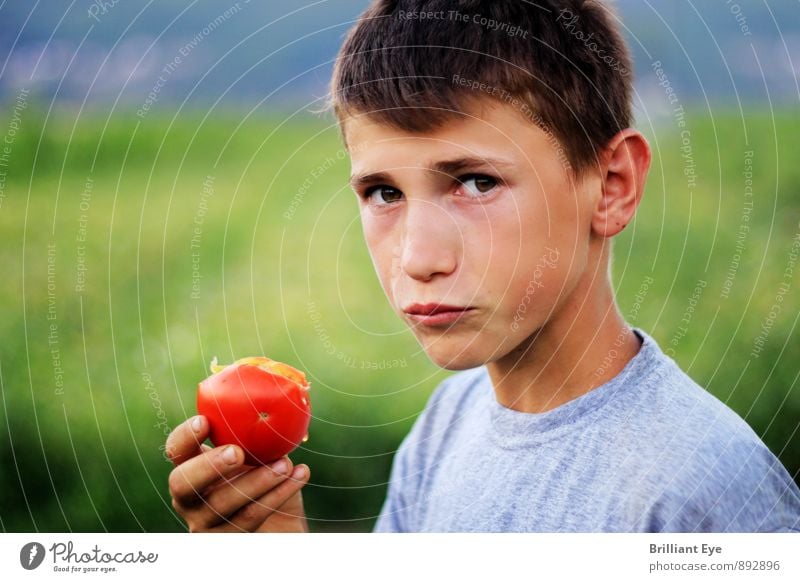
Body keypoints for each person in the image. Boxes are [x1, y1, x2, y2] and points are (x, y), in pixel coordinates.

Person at [165, 0, 800, 532]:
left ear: (610, 186)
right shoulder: (446, 428)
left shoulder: (706, 493)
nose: (418, 258)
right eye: (383, 193)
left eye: (475, 182)